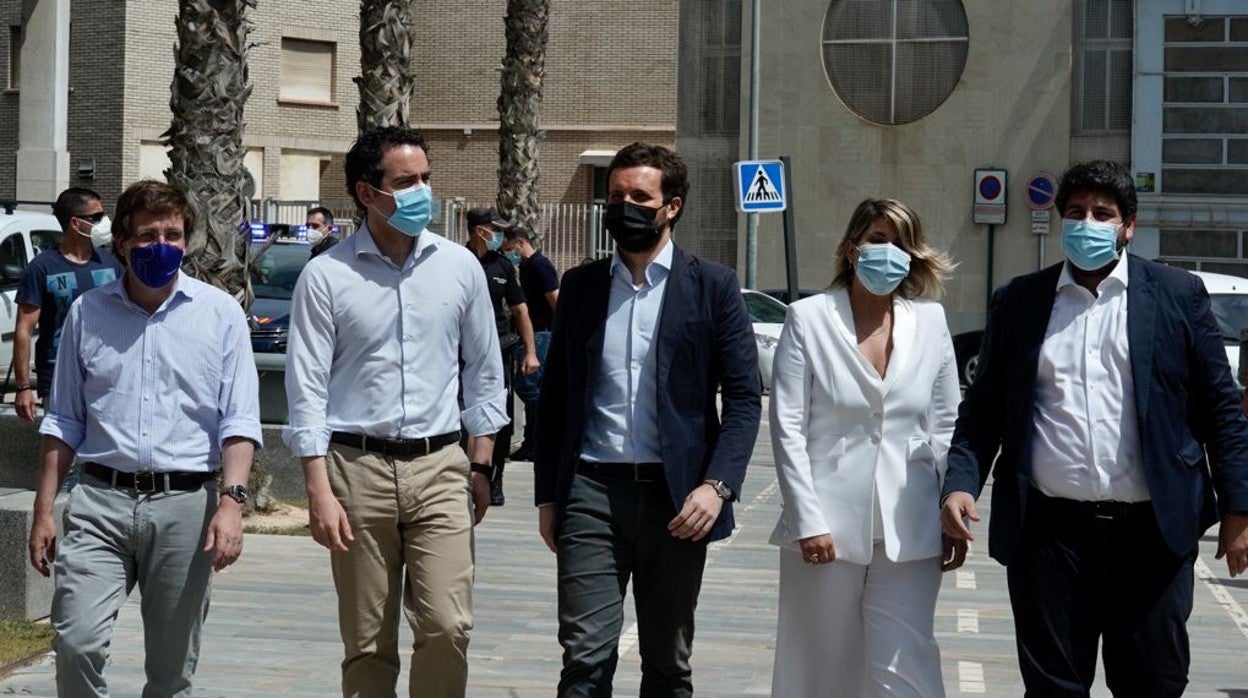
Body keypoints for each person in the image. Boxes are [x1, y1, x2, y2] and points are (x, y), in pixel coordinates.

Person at [940, 160, 1248, 697]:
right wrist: (960, 483)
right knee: (1053, 687)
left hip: (1152, 535)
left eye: (1102, 214)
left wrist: (1238, 511)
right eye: (1076, 212)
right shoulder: (1020, 302)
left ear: (1128, 225)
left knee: (1154, 682)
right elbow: (983, 410)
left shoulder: (1176, 295)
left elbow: (1221, 411)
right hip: (1049, 537)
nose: (1088, 223)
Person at [283, 126, 507, 698]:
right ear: (366, 193)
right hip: (356, 471)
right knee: (367, 642)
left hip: (440, 467)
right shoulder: (327, 276)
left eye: (426, 179)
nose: (421, 192)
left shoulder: (460, 268)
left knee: (447, 626)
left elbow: (485, 371)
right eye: (405, 182)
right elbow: (305, 390)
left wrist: (481, 466)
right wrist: (317, 489)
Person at [535, 142, 761, 696]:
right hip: (592, 492)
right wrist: (548, 497)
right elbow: (557, 395)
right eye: (616, 196)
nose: (625, 206)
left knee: (667, 661)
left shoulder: (712, 285)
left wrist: (718, 486)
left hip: (678, 499)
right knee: (585, 658)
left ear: (672, 207)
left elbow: (744, 397)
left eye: (640, 196)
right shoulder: (584, 286)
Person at [26, 179, 261, 696]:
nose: (162, 246)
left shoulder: (220, 315)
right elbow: (64, 419)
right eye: (149, 234)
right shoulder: (88, 312)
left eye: (173, 235)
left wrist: (232, 503)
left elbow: (239, 420)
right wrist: (44, 509)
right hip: (100, 501)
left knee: (171, 670)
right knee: (76, 642)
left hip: (185, 507)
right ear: (123, 244)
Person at [769, 198, 964, 697]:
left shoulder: (932, 321)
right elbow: (788, 426)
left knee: (906, 667)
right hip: (825, 527)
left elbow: (945, 423)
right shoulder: (808, 318)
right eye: (879, 239)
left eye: (901, 243)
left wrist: (951, 503)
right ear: (853, 248)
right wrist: (806, 518)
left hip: (911, 524)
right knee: (824, 667)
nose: (889, 252)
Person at [13, 187, 121, 422]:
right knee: (63, 454)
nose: (105, 222)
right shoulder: (42, 268)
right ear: (75, 223)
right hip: (58, 379)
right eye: (97, 217)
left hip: (106, 378)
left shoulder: (111, 265)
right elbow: (24, 329)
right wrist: (23, 387)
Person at [464, 207, 538, 506]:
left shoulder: (504, 266)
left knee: (499, 418)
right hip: (461, 352)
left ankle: (495, 479)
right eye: (496, 229)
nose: (500, 236)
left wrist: (530, 351)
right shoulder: (458, 261)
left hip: (499, 350)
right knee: (460, 416)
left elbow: (520, 310)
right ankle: (463, 478)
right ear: (480, 230)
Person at [501, 224, 559, 462]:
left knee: (529, 387)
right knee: (530, 388)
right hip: (534, 334)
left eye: (509, 248)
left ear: (519, 243)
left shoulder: (539, 265)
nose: (508, 253)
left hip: (541, 334)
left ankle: (538, 442)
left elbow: (556, 300)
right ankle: (533, 442)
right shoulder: (526, 267)